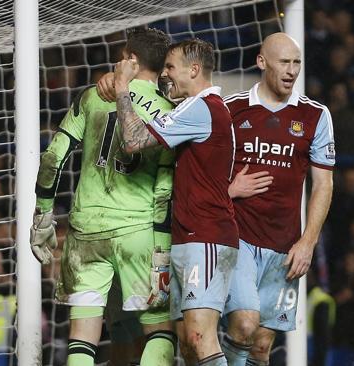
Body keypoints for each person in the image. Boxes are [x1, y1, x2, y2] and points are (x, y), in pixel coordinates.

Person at [30, 28, 177, 366]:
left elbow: (53, 157)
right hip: (138, 232)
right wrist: (161, 249)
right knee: (160, 330)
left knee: (83, 338)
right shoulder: (170, 113)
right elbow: (165, 189)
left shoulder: (92, 97)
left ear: (131, 60)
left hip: (86, 233)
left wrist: (43, 215)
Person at [113, 38, 239, 366]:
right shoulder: (197, 108)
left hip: (207, 236)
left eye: (170, 67)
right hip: (188, 236)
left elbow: (132, 140)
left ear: (193, 69)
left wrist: (122, 86)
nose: (165, 74)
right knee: (186, 342)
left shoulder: (202, 107)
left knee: (200, 337)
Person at [221, 32, 335, 366]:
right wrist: (228, 190)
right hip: (237, 238)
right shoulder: (232, 110)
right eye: (283, 62)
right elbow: (203, 172)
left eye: (296, 62)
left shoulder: (315, 116)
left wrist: (308, 242)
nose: (291, 70)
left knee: (261, 345)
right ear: (261, 61)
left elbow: (323, 184)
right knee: (243, 325)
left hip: (285, 247)